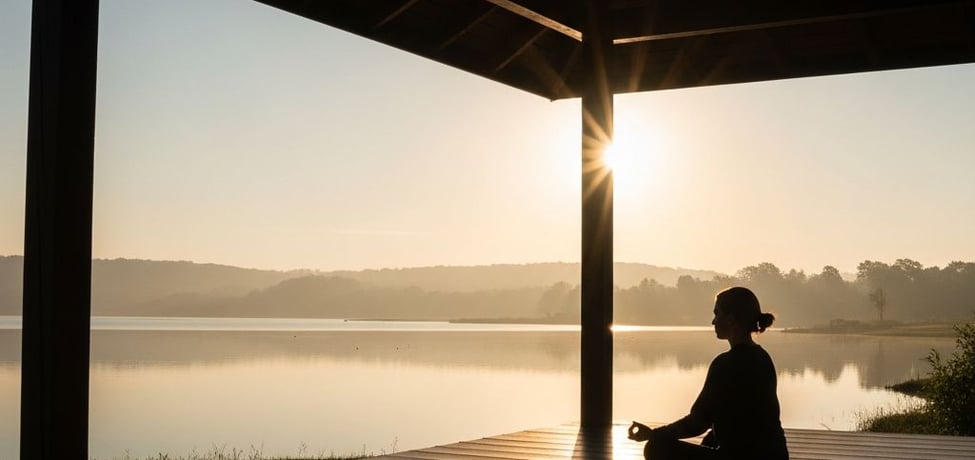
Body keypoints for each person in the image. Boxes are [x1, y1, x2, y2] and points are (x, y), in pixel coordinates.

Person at [628, 286, 789, 459]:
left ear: (731, 319)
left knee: (656, 448)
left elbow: (697, 423)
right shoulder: (763, 357)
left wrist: (653, 434)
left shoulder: (726, 364)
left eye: (717, 313)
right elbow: (739, 416)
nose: (713, 321)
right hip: (776, 454)